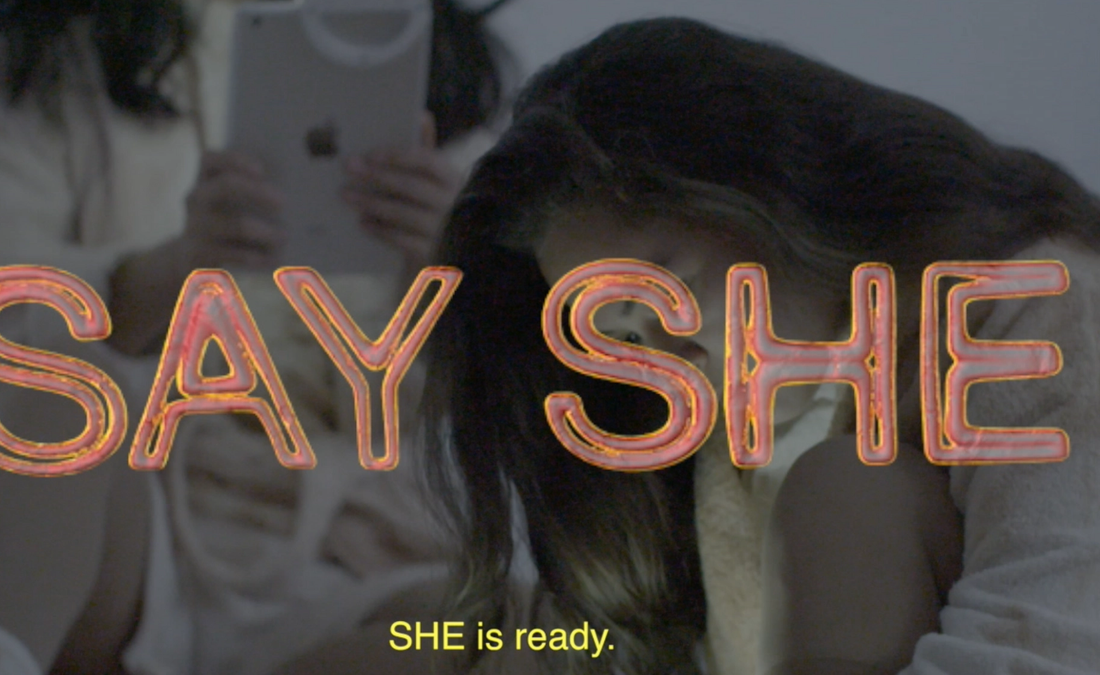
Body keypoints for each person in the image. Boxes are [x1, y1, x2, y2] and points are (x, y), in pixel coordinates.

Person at [421, 17, 1100, 675]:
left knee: (846, 489)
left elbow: (1050, 645)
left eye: (668, 293)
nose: (664, 362)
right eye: (623, 337)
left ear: (770, 192)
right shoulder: (724, 451)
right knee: (425, 632)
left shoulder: (1038, 306)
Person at [0, 0, 513, 673]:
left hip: (348, 564)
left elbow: (521, 398)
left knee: (534, 634)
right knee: (63, 397)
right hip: (121, 524)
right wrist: (160, 273)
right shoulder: (60, 50)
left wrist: (451, 275)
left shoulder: (434, 78)